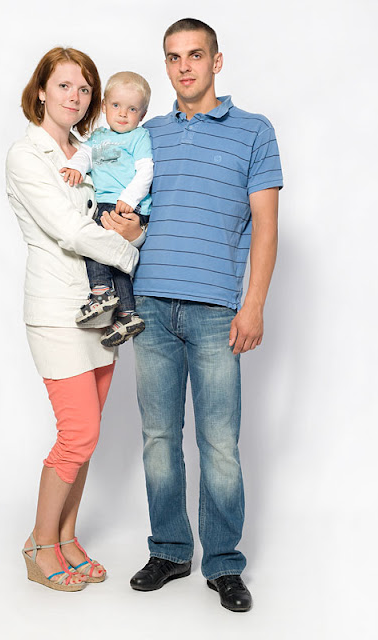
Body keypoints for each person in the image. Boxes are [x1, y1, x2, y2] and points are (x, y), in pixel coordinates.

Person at [127, 18, 284, 611]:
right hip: (151, 306)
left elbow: (265, 227)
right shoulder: (148, 134)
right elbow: (133, 207)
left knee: (219, 443)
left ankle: (223, 563)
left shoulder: (254, 131)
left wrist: (254, 304)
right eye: (173, 57)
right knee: (158, 438)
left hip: (219, 310)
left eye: (195, 55)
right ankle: (170, 550)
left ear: (216, 61)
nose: (184, 66)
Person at [6, 47, 143, 592]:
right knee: (79, 432)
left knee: (87, 437)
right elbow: (71, 230)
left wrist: (132, 229)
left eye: (85, 88)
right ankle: (40, 544)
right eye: (64, 85)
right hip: (57, 312)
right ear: (41, 91)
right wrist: (129, 251)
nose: (76, 97)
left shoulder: (90, 151)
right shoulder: (26, 155)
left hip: (97, 312)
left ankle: (66, 537)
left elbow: (116, 214)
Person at [61, 71, 153, 347]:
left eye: (132, 109)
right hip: (107, 202)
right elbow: (84, 155)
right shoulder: (98, 136)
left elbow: (146, 171)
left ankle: (100, 292)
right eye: (116, 106)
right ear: (104, 106)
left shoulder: (139, 136)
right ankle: (127, 313)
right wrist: (76, 169)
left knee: (95, 243)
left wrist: (129, 198)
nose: (123, 114)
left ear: (142, 114)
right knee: (116, 260)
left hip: (125, 204)